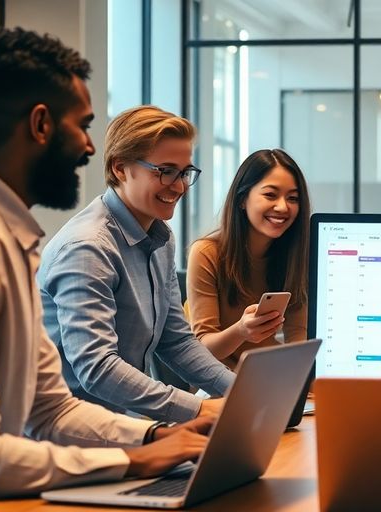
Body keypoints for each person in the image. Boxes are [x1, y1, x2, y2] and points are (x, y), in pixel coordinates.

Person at [0, 29, 211, 511]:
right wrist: (135, 459)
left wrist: (157, 434)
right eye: (83, 125)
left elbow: (49, 408)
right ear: (41, 124)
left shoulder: (7, 237)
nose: (90, 147)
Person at [37, 105, 234, 423]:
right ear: (120, 168)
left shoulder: (160, 238)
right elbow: (97, 368)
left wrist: (239, 392)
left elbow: (176, 341)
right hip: (67, 441)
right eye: (165, 171)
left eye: (184, 172)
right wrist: (198, 409)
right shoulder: (88, 247)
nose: (180, 186)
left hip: (124, 425)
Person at [186, 149, 311, 368]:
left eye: (293, 198)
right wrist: (241, 331)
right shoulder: (207, 252)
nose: (283, 207)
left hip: (272, 377)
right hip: (217, 383)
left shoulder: (295, 256)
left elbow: (297, 334)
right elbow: (202, 349)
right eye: (270, 195)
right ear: (242, 199)